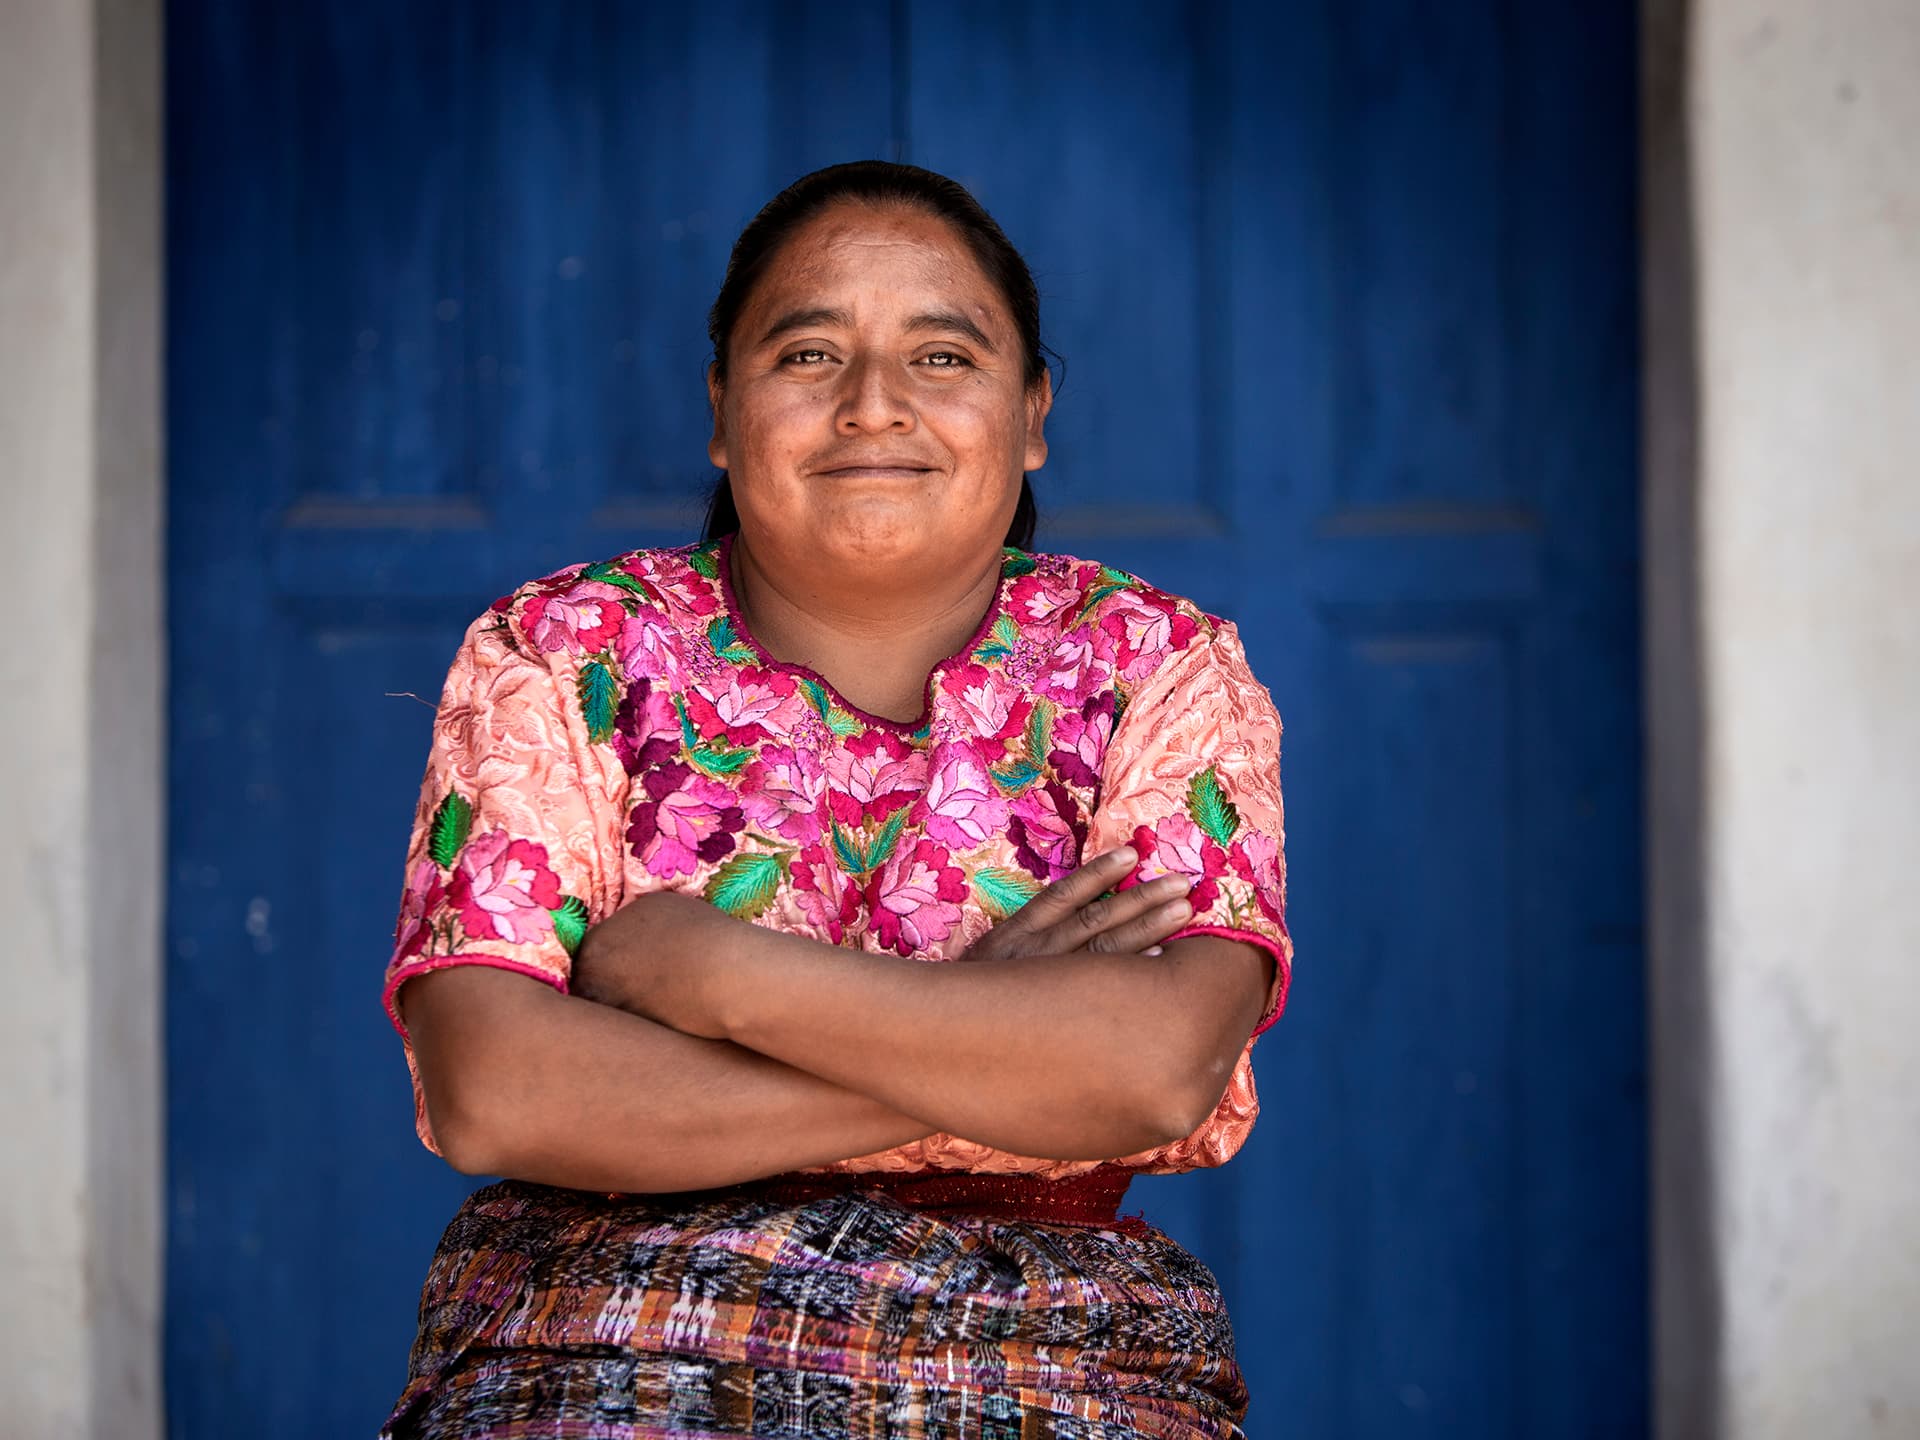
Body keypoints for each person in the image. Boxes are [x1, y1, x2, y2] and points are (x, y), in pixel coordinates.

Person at [379, 160, 1293, 1440]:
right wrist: (998, 1034)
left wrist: (710, 975)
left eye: (942, 358)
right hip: (614, 1338)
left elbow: (1156, 1070)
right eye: (809, 355)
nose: (873, 406)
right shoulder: (565, 651)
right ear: (720, 409)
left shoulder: (1155, 666)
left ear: (1032, 415)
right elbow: (496, 1092)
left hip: (1048, 1352)